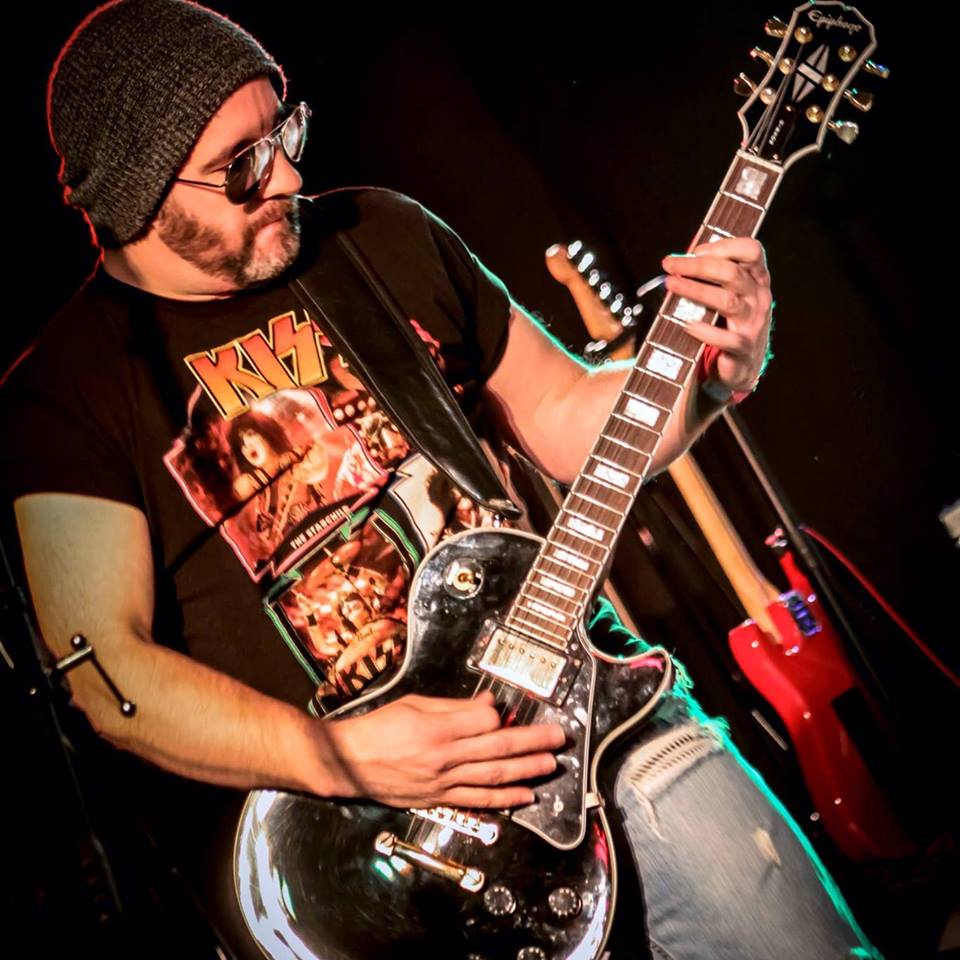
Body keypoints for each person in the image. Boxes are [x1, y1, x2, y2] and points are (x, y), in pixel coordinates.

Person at [3, 1, 883, 958]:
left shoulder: (377, 233)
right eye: (242, 164)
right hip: (375, 856)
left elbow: (565, 419)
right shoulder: (69, 391)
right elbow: (108, 669)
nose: (287, 174)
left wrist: (709, 374)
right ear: (138, 194)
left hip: (599, 713)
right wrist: (339, 758)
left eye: (284, 132)